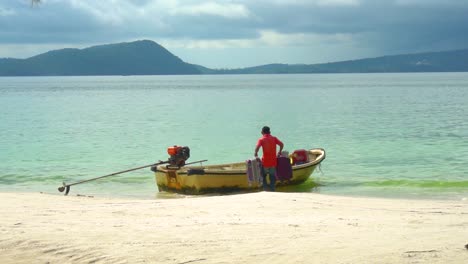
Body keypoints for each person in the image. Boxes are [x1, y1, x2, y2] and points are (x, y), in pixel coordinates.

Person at [254, 126, 284, 191]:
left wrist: (256, 153)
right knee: (272, 176)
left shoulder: (261, 139)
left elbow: (257, 147)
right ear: (269, 132)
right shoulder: (274, 138)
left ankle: (265, 188)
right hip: (273, 162)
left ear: (262, 132)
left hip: (265, 162)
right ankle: (272, 189)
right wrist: (279, 152)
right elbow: (281, 144)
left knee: (263, 175)